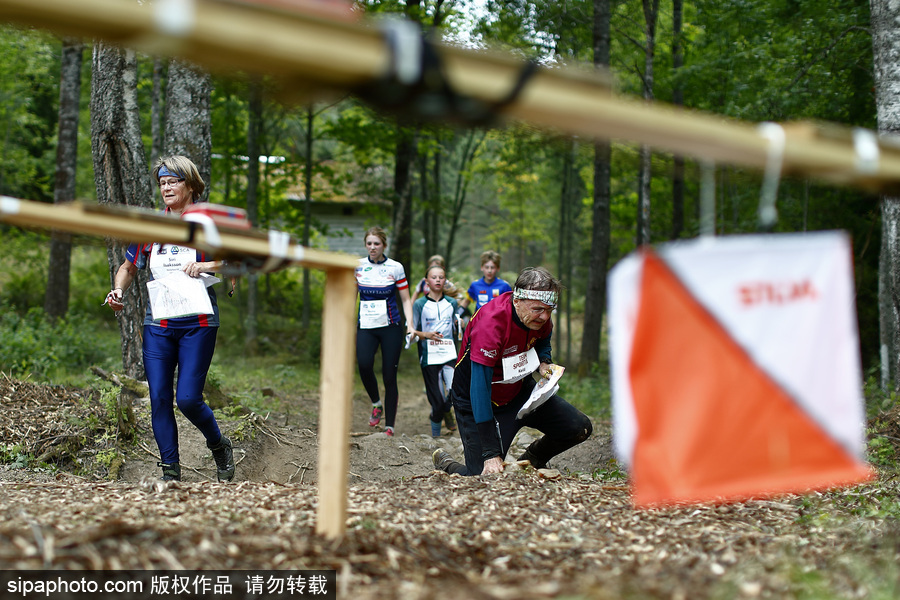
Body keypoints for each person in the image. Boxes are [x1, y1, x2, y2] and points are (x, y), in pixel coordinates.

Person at [104, 155, 235, 483]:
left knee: (188, 399)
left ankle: (219, 444)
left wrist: (206, 266)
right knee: (159, 397)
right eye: (162, 182)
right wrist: (118, 291)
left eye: (172, 181)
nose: (165, 187)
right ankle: (170, 472)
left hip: (198, 322)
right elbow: (128, 267)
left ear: (190, 185)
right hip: (159, 323)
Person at [432, 267, 592, 476]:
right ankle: (447, 464)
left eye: (549, 310)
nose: (544, 316)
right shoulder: (492, 323)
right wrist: (490, 453)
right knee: (482, 475)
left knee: (579, 428)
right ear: (517, 301)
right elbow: (479, 389)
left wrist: (544, 361)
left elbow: (543, 339)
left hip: (519, 392)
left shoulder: (539, 316)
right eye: (537, 309)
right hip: (475, 400)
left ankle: (532, 460)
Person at [355, 226, 415, 437]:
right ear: (366, 245)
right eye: (369, 243)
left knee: (390, 376)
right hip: (366, 326)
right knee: (363, 364)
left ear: (384, 245)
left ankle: (390, 426)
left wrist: (410, 323)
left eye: (376, 244)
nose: (372, 247)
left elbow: (406, 299)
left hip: (390, 326)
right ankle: (376, 403)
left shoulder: (395, 267)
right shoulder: (358, 266)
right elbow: (351, 297)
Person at [411, 264, 459, 438]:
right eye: (434, 277)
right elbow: (411, 332)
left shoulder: (452, 303)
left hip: (449, 354)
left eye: (441, 277)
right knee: (437, 404)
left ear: (445, 280)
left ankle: (447, 413)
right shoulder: (419, 304)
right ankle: (436, 438)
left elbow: (457, 329)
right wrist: (426, 335)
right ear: (426, 282)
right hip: (429, 357)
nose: (438, 280)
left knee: (456, 392)